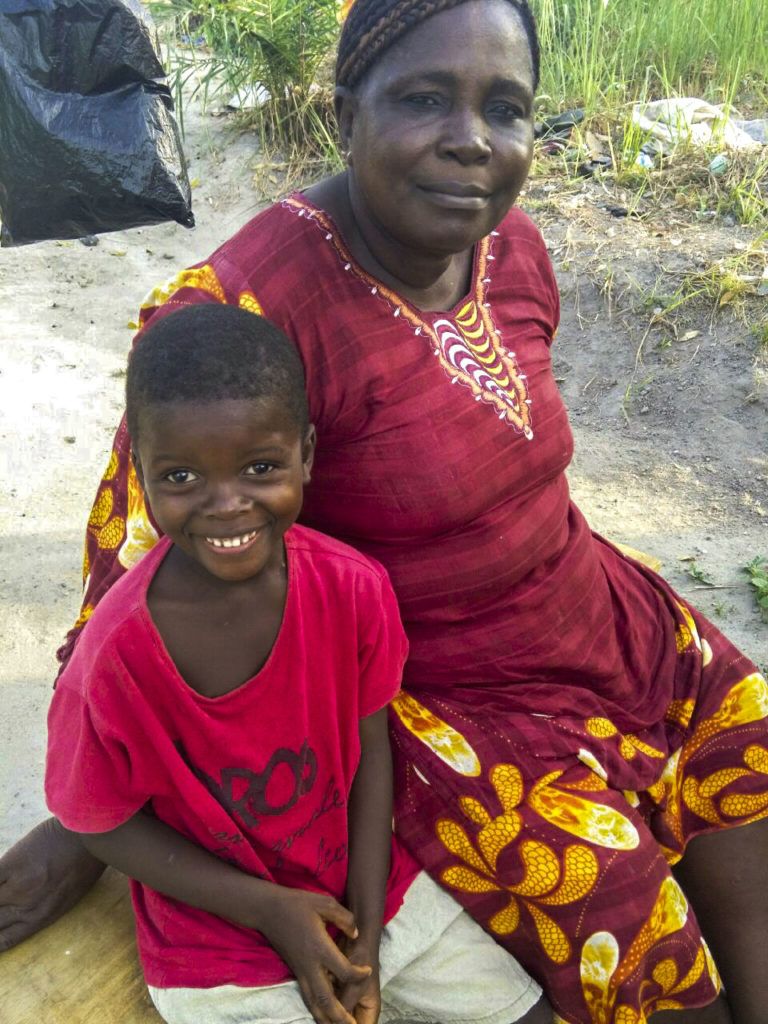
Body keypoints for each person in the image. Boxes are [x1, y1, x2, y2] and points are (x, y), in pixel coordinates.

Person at [1, 1, 767, 1021]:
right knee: (634, 928)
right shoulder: (245, 314)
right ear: (346, 111)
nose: (471, 139)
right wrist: (85, 826)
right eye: (425, 98)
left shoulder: (513, 246)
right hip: (452, 703)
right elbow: (141, 566)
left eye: (506, 108)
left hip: (604, 619)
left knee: (749, 756)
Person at [44, 303, 549, 1024]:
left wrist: (366, 932)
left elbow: (372, 756)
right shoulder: (112, 659)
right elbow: (97, 821)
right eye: (181, 476)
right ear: (141, 475)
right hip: (217, 944)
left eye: (260, 468)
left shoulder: (353, 589)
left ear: (305, 454)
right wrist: (268, 908)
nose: (227, 506)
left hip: (372, 893)